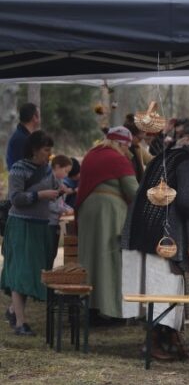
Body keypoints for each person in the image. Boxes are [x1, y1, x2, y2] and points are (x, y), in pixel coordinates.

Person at [122, 120, 189, 360]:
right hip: (162, 236)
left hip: (142, 230)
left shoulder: (162, 157)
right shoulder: (188, 162)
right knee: (165, 289)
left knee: (155, 288)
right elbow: (185, 201)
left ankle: (167, 339)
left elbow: (176, 204)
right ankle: (154, 344)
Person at [2, 131, 63, 335]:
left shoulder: (47, 170)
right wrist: (40, 195)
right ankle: (20, 323)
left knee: (31, 274)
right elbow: (16, 198)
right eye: (46, 150)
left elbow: (55, 187)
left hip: (40, 227)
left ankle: (13, 311)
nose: (49, 154)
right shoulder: (19, 169)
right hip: (21, 226)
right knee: (21, 273)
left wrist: (63, 191)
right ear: (34, 150)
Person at [77, 127, 139, 323]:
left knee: (90, 259)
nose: (126, 151)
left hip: (88, 211)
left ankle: (90, 308)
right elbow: (133, 191)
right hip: (109, 213)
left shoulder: (90, 155)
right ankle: (111, 310)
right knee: (110, 259)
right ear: (121, 143)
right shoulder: (117, 159)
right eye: (126, 147)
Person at [47, 155, 75, 269]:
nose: (67, 175)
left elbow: (61, 202)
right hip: (48, 223)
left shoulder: (59, 181)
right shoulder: (49, 181)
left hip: (55, 222)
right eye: (65, 171)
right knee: (48, 254)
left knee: (52, 254)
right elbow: (49, 204)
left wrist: (68, 208)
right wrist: (64, 209)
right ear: (57, 167)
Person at [5, 102, 40, 170]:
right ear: (34, 118)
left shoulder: (25, 136)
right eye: (39, 115)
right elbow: (22, 169)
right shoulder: (20, 139)